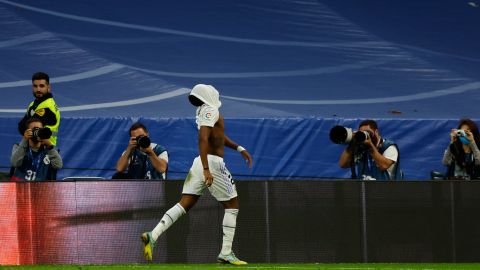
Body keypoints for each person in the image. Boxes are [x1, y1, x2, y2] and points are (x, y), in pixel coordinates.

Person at [141, 84, 253, 265]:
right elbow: (203, 138)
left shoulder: (204, 110)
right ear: (209, 94)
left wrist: (239, 148)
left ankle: (152, 235)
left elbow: (217, 136)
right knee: (232, 205)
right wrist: (208, 169)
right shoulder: (210, 110)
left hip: (198, 163)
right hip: (212, 164)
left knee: (184, 204)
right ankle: (225, 252)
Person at [18, 72, 60, 146]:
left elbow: (30, 127)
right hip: (35, 148)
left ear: (48, 87)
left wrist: (26, 128)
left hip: (46, 150)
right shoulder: (33, 104)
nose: (38, 89)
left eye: (41, 86)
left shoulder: (47, 107)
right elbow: (21, 126)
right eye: (35, 86)